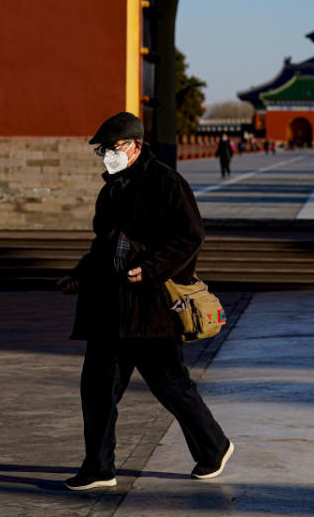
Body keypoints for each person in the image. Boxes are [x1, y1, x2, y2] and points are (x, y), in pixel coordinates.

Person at [57, 111, 233, 491]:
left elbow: (191, 236)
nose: (107, 155)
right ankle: (99, 467)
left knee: (171, 385)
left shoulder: (166, 182)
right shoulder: (110, 190)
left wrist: (152, 269)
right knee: (98, 389)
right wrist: (79, 274)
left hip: (152, 307)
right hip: (110, 307)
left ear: (136, 145)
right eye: (102, 149)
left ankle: (214, 447)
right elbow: (103, 246)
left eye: (113, 147)